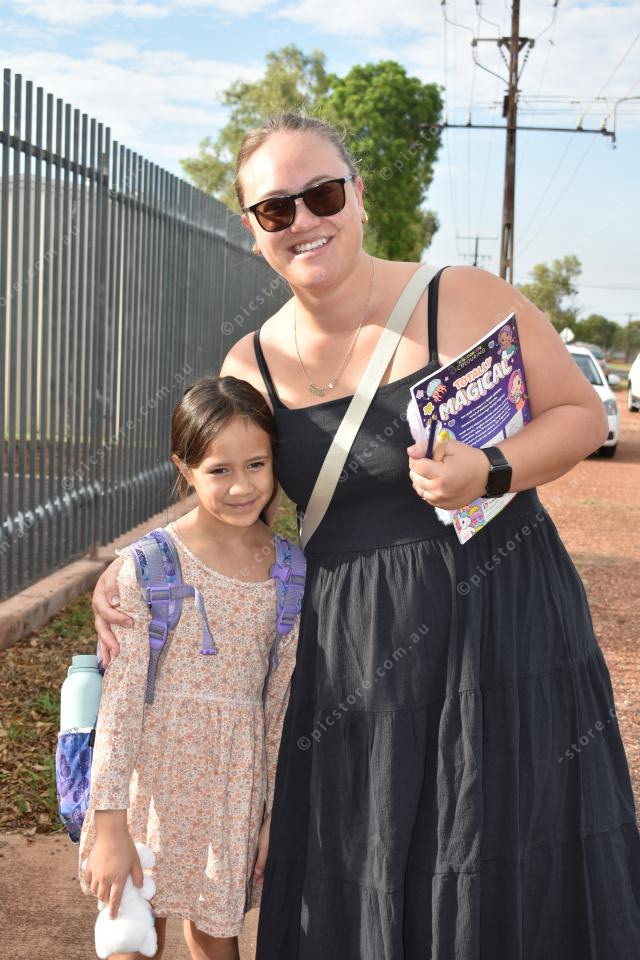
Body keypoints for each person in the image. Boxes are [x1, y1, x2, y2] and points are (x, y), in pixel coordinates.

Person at [92, 114, 640, 959]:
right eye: (276, 209)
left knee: (505, 837)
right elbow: (230, 506)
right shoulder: (250, 365)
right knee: (370, 855)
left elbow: (576, 414)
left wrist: (490, 468)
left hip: (502, 624)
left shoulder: (461, 296)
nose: (304, 220)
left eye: (322, 194)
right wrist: (136, 566)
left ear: (358, 196)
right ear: (253, 229)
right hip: (354, 653)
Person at [80, 375, 301, 960]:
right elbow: (121, 705)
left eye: (256, 464)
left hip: (233, 790)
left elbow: (279, 706)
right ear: (185, 468)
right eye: (219, 470)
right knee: (130, 933)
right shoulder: (151, 567)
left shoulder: (289, 573)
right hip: (147, 786)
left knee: (214, 936)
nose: (242, 486)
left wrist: (273, 814)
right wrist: (110, 826)